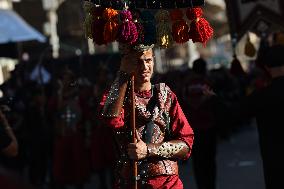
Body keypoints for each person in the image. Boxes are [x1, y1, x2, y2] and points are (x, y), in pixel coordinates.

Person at [99, 44, 194, 188]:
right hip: (131, 182)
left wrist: (149, 149)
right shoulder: (118, 98)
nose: (144, 67)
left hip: (168, 184)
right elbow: (111, 119)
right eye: (138, 62)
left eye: (148, 60)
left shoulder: (167, 95)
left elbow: (186, 144)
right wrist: (123, 73)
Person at [239, 44, 284, 189]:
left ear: (266, 68)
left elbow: (237, 113)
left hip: (274, 160)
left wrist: (214, 99)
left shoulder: (260, 95)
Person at [182, 58, 219, 189]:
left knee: (198, 162)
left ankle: (201, 185)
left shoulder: (186, 84)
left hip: (193, 128)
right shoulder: (207, 83)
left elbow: (184, 102)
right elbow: (215, 100)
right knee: (210, 161)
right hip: (208, 126)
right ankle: (210, 185)